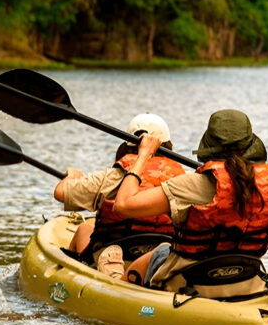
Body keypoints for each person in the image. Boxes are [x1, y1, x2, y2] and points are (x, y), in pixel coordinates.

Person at [112, 109, 268, 297]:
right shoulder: (267, 188)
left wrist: (143, 155)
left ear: (209, 145)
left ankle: (118, 288)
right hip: (245, 278)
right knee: (162, 250)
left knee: (161, 250)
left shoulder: (191, 185)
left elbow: (123, 205)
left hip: (193, 281)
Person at [53, 113, 184, 278]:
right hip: (162, 253)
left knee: (85, 228)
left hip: (116, 247)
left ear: (127, 145)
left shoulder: (113, 177)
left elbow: (60, 193)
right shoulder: (182, 180)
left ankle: (69, 279)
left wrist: (72, 176)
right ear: (168, 145)